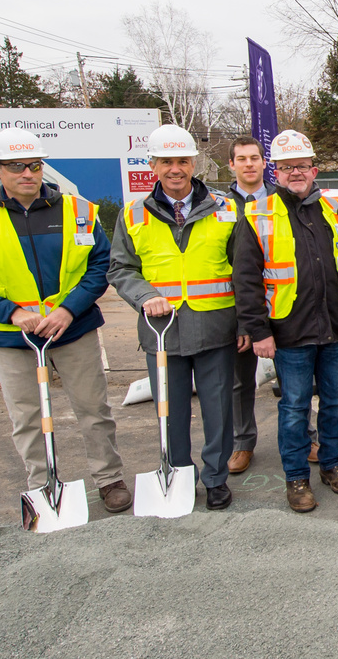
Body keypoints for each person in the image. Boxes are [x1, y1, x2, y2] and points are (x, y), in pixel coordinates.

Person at [0, 128, 131, 514]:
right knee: (27, 418)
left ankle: (109, 478)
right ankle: (42, 484)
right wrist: (13, 313)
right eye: (17, 167)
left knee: (94, 409)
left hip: (73, 328)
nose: (28, 173)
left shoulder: (77, 211)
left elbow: (101, 266)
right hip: (13, 337)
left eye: (34, 165)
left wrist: (68, 309)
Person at [233, 130, 338, 513]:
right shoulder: (257, 216)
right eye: (287, 167)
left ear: (314, 169)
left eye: (302, 166)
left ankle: (332, 464)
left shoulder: (336, 210)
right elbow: (245, 279)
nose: (296, 173)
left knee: (336, 403)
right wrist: (258, 330)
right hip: (288, 332)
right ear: (275, 172)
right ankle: (296, 477)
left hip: (334, 328)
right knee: (294, 407)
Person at [109, 124, 240, 511]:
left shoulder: (226, 208)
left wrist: (248, 323)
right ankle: (178, 474)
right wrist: (145, 295)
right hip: (161, 333)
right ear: (153, 165)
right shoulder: (132, 214)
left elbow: (243, 269)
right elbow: (120, 269)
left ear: (194, 163)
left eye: (182, 160)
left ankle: (215, 478)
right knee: (170, 411)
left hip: (216, 327)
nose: (175, 169)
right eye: (166, 161)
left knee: (218, 410)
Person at [225, 136, 273, 475]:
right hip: (238, 307)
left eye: (254, 158)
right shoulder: (218, 206)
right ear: (232, 165)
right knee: (240, 382)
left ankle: (308, 437)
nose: (249, 164)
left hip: (283, 305)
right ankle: (243, 443)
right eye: (241, 159)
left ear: (263, 162)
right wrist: (245, 320)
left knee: (295, 381)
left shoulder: (280, 199)